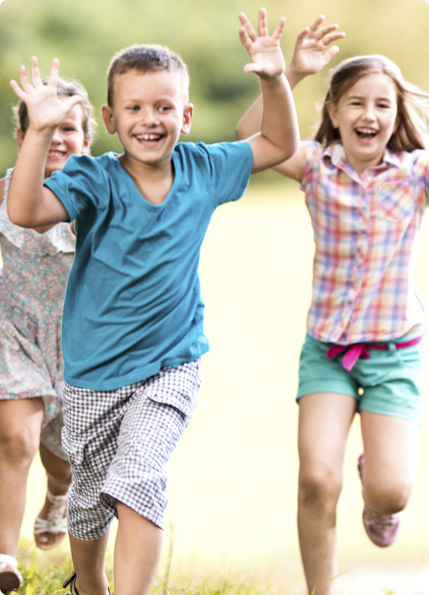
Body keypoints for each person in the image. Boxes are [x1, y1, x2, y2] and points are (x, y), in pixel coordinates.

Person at [7, 8, 299, 595]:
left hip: (171, 365)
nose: (150, 119)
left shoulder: (205, 168)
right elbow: (25, 212)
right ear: (111, 120)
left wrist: (274, 78)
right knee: (88, 503)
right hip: (91, 373)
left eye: (164, 107)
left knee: (139, 478)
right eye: (135, 108)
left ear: (185, 116)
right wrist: (39, 133)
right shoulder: (93, 179)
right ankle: (88, 583)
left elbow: (276, 142)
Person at [236, 15, 429, 595]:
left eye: (383, 106)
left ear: (397, 117)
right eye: (356, 104)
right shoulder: (316, 165)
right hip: (327, 351)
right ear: (336, 111)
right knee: (317, 479)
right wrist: (288, 72)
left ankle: (379, 488)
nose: (369, 115)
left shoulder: (416, 173)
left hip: (396, 351)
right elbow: (251, 137)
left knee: (392, 492)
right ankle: (322, 590)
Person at [0, 78, 95, 593]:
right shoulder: (5, 192)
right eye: (44, 126)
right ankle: (2, 558)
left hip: (77, 346)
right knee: (16, 438)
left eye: (69, 128)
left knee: (61, 458)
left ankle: (57, 495)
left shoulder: (93, 198)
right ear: (22, 136)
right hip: (12, 334)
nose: (57, 138)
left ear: (86, 140)